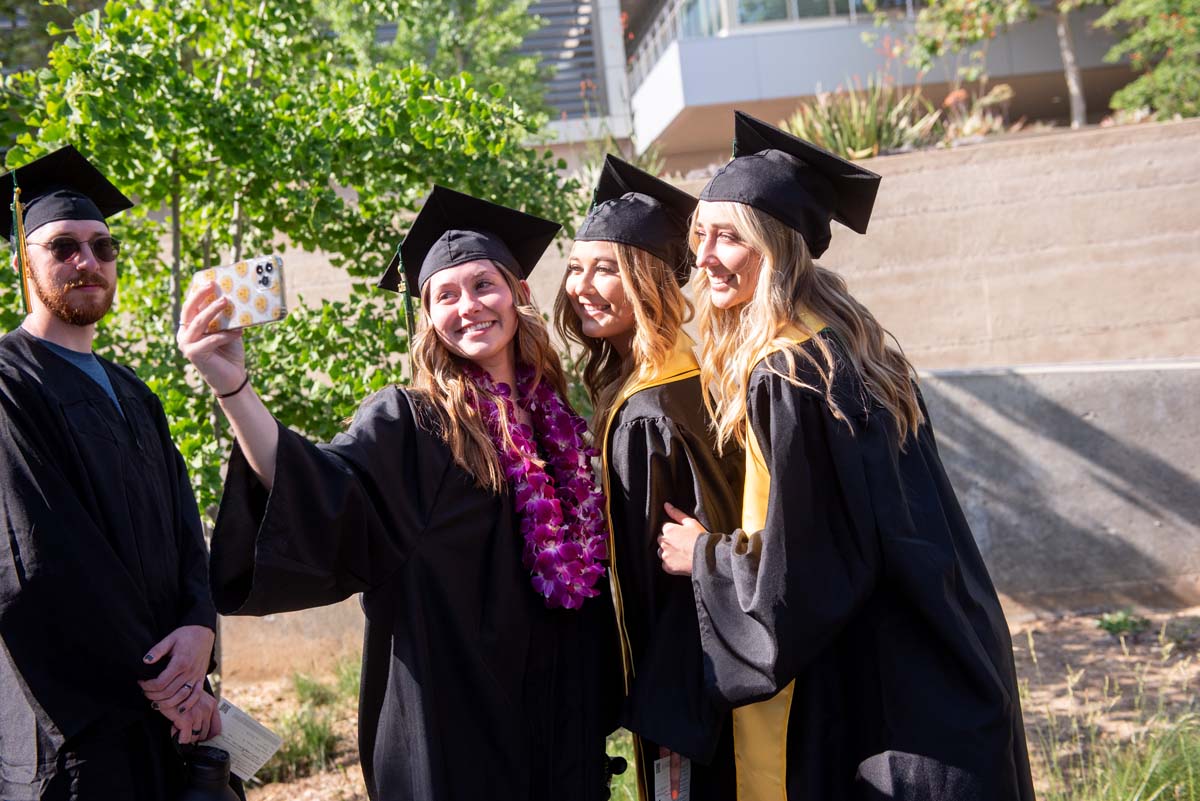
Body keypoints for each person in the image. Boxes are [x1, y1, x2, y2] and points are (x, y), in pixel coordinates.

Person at [178, 185, 618, 800]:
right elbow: (315, 486)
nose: (469, 306)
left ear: (518, 293)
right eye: (446, 294)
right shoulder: (410, 424)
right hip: (450, 733)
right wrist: (234, 389)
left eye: (483, 285)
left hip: (556, 728)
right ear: (427, 315)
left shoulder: (559, 426)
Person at [658, 111, 1036, 801]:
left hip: (884, 682)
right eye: (700, 235)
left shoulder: (787, 373)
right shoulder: (847, 344)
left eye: (729, 238)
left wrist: (704, 557)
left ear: (776, 248)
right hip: (946, 643)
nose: (704, 256)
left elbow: (811, 569)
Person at [0, 146, 224, 799]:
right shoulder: (11, 382)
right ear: (23, 261)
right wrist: (164, 681)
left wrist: (200, 626)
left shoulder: (135, 392)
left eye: (103, 246)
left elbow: (187, 530)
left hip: (163, 718)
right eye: (62, 247)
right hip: (78, 725)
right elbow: (40, 554)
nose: (86, 262)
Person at [556, 155, 740, 801]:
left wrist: (660, 708)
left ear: (650, 278)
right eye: (575, 268)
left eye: (606, 267)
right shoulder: (692, 375)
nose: (582, 285)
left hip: (685, 693)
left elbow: (653, 583)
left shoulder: (646, 414)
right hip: (719, 675)